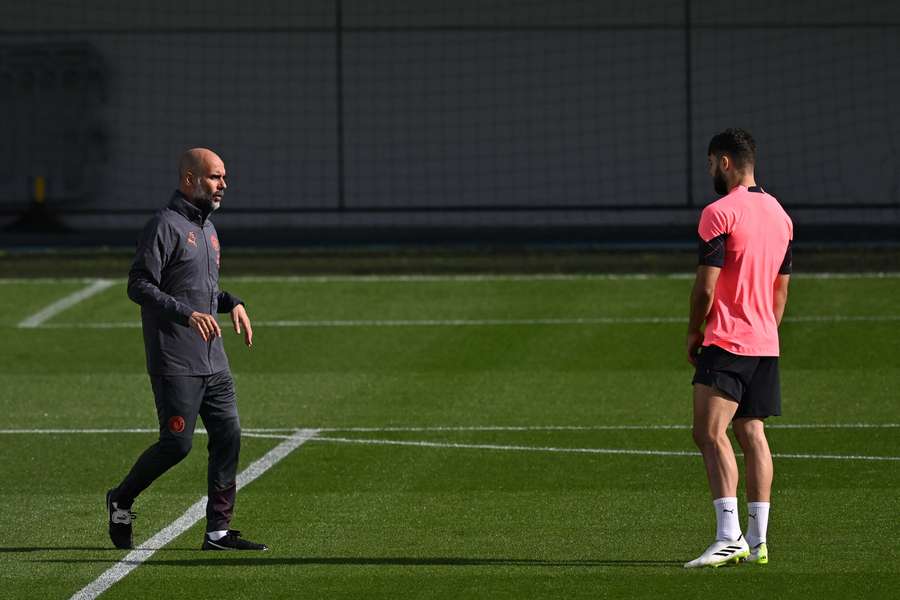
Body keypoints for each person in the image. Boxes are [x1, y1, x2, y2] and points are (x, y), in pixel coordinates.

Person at [106, 148, 267, 551]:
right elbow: (139, 284)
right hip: (175, 358)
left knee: (228, 435)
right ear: (190, 179)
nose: (223, 185)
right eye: (215, 177)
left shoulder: (209, 230)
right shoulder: (164, 225)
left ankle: (217, 532)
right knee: (177, 445)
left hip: (213, 359)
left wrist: (234, 302)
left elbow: (205, 291)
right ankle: (121, 499)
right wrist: (187, 314)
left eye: (224, 177)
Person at [684, 129, 792, 568]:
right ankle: (759, 540)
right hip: (765, 341)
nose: (709, 171)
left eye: (711, 164)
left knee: (708, 433)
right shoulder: (781, 215)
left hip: (727, 339)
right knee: (752, 433)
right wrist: (764, 330)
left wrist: (694, 331)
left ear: (725, 162)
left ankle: (729, 537)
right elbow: (781, 290)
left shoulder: (718, 212)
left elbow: (705, 286)